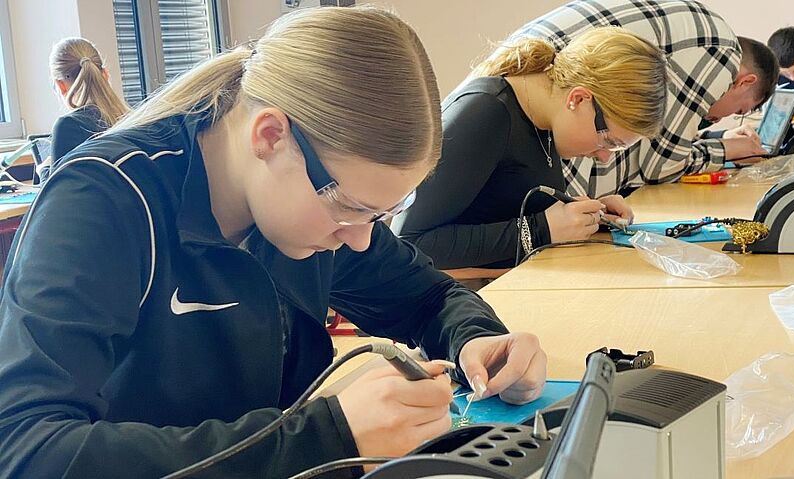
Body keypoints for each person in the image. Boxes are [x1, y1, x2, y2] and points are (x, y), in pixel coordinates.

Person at [0, 7, 546, 478]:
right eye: (353, 208)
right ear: (270, 136)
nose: (359, 242)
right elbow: (27, 451)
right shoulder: (105, 201)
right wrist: (325, 434)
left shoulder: (306, 211)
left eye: (382, 214)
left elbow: (428, 297)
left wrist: (478, 341)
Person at [391, 27, 666, 270]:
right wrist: (541, 230)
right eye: (608, 141)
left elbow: (502, 208)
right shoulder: (486, 113)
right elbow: (410, 243)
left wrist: (589, 215)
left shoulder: (544, 124)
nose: (604, 157)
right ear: (579, 99)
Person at [477, 0, 779, 198]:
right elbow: (660, 167)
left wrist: (718, 136)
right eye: (739, 110)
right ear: (744, 81)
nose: (720, 117)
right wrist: (725, 149)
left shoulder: (695, 24)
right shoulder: (720, 52)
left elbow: (649, 141)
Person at [48, 37, 129, 168]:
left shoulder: (69, 126)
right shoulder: (132, 118)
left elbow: (59, 188)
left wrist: (44, 170)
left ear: (61, 85)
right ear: (105, 75)